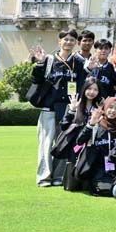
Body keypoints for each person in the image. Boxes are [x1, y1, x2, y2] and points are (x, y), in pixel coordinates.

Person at [31, 29, 86, 187]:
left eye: (72, 40)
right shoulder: (49, 60)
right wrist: (39, 63)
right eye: (65, 39)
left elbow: (82, 84)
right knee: (46, 144)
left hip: (68, 108)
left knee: (63, 143)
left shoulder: (79, 62)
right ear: (59, 41)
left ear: (75, 43)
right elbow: (36, 80)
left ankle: (59, 176)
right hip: (49, 107)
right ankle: (44, 177)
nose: (68, 42)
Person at [75, 96, 116, 196]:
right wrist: (91, 124)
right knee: (106, 189)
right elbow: (79, 141)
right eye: (110, 107)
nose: (113, 111)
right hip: (98, 168)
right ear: (104, 108)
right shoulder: (96, 124)